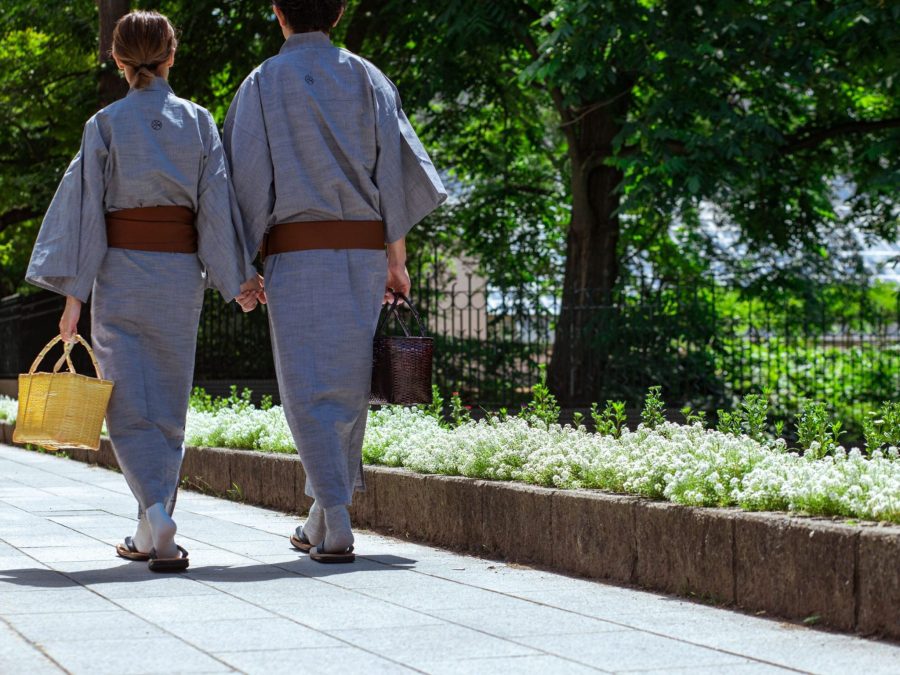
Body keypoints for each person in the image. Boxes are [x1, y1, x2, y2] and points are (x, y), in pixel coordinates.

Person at [26, 10, 261, 572]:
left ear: (117, 59)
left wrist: (73, 299)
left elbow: (85, 213)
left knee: (128, 403)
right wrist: (237, 280)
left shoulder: (105, 123)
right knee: (169, 403)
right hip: (179, 277)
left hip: (121, 275)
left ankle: (155, 511)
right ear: (171, 56)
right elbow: (214, 208)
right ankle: (151, 527)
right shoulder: (198, 122)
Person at [224, 0, 446, 562]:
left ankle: (339, 519)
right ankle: (320, 516)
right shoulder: (368, 78)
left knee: (307, 386)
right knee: (347, 385)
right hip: (365, 252)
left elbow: (246, 182)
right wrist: (396, 259)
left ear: (279, 13)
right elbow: (393, 176)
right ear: (339, 14)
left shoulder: (262, 82)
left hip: (297, 252)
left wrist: (241, 267)